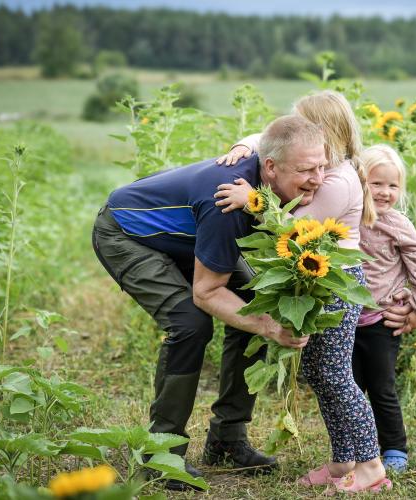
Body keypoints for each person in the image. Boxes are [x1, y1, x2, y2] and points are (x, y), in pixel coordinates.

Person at [91, 115, 326, 491]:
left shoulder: (263, 176)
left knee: (255, 298)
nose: (317, 177)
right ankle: (161, 453)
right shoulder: (226, 200)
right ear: (270, 167)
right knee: (190, 322)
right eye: (306, 170)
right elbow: (206, 293)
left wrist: (265, 314)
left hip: (184, 237)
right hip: (127, 233)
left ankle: (227, 440)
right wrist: (268, 327)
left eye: (321, 166)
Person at [214, 90, 396, 493]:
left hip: (337, 285)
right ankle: (341, 462)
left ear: (324, 135)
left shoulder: (337, 181)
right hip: (322, 283)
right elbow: (270, 136)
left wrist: (253, 201)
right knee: (319, 372)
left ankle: (370, 466)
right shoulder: (330, 167)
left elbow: (292, 229)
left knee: (335, 376)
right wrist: (246, 145)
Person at [353, 144, 416, 473]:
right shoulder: (346, 216)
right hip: (344, 321)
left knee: (382, 386)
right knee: (349, 388)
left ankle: (394, 448)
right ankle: (354, 449)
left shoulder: (395, 223)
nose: (385, 192)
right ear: (359, 181)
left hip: (382, 319)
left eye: (393, 185)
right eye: (376, 183)